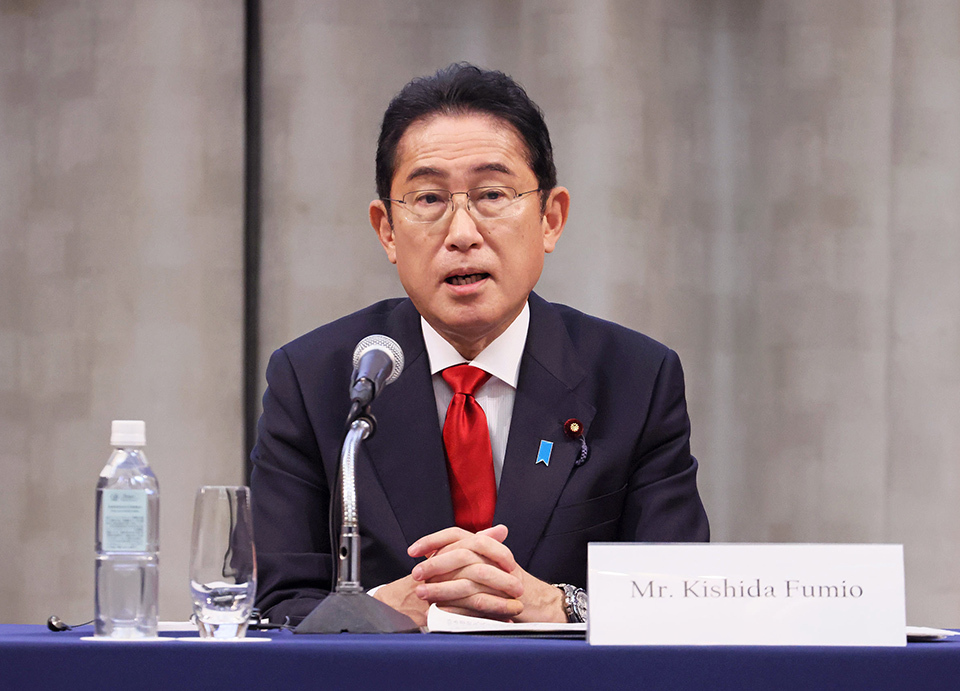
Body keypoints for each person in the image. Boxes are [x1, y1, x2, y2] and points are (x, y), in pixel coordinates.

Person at [250, 63, 709, 627]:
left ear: (551, 218)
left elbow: (678, 605)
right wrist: (382, 612)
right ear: (387, 231)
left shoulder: (635, 380)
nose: (462, 233)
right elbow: (275, 609)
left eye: (492, 194)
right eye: (428, 200)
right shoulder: (315, 379)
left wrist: (556, 605)